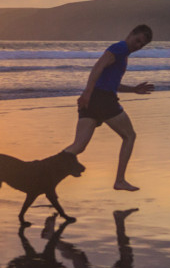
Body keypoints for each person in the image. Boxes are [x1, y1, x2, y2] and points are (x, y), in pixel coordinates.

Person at [63, 24, 155, 191]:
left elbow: (112, 83)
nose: (137, 46)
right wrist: (87, 93)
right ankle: (120, 180)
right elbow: (97, 67)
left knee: (78, 146)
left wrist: (133, 89)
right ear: (130, 33)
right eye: (137, 40)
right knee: (129, 136)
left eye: (141, 45)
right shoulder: (119, 48)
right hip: (102, 99)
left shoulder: (123, 53)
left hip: (94, 99)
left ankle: (45, 170)